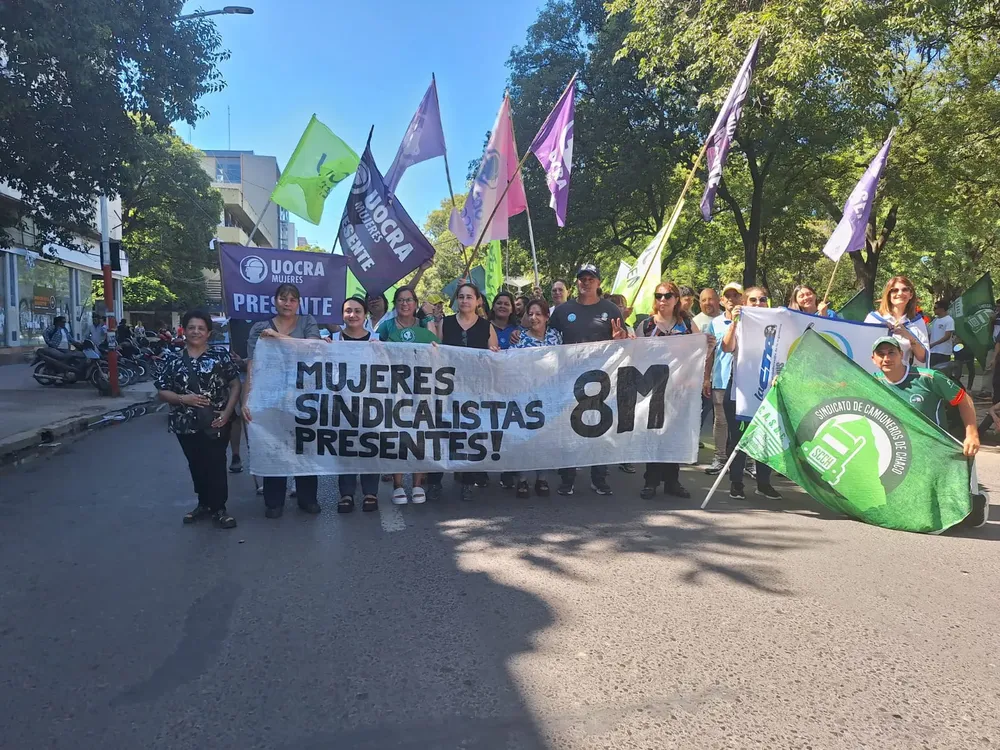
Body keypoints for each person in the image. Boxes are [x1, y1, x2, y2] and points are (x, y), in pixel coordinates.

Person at [872, 336, 987, 527]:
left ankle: (976, 499)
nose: (886, 358)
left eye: (891, 352)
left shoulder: (929, 378)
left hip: (934, 451)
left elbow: (964, 400)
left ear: (902, 354)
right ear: (873, 359)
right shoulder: (870, 382)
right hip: (897, 452)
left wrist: (972, 434)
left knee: (960, 518)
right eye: (881, 354)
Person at [242, 283, 323, 519]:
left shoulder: (308, 322)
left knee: (305, 447)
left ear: (299, 302)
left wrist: (277, 337)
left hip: (303, 397)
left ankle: (308, 498)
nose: (287, 303)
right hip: (270, 397)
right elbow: (253, 365)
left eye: (292, 299)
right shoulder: (259, 328)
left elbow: (311, 350)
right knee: (273, 446)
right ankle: (274, 501)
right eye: (283, 298)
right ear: (275, 300)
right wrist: (247, 399)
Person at [155, 310, 241, 529]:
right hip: (184, 423)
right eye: (192, 327)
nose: (196, 332)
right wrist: (184, 398)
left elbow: (235, 384)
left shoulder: (220, 355)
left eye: (201, 328)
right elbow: (162, 391)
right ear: (184, 331)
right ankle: (203, 503)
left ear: (208, 333)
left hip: (216, 421)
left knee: (216, 462)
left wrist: (228, 412)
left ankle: (219, 507)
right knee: (196, 464)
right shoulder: (172, 359)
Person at [549, 264, 628, 496]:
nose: (586, 282)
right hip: (569, 378)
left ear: (599, 283)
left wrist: (620, 338)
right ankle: (568, 477)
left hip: (601, 379)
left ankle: (599, 477)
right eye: (582, 279)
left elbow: (622, 341)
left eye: (590, 278)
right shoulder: (563, 310)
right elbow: (549, 339)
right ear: (576, 283)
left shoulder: (611, 309)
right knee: (569, 428)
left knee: (600, 429)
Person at [634, 282, 704, 499]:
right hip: (654, 388)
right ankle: (651, 481)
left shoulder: (687, 325)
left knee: (675, 434)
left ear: (676, 300)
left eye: (667, 296)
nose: (662, 300)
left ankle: (672, 481)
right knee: (654, 434)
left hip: (680, 388)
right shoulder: (646, 326)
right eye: (659, 296)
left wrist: (708, 345)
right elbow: (634, 355)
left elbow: (700, 352)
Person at [437, 282, 499, 501]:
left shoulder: (486, 326)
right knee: (446, 430)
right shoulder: (446, 323)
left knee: (472, 432)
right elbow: (438, 351)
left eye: (469, 297)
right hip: (449, 387)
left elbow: (495, 356)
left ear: (478, 300)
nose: (464, 301)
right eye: (461, 297)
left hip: (476, 388)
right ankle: (436, 481)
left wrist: (494, 354)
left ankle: (467, 480)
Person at [377, 286, 440, 504]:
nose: (405, 304)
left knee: (420, 434)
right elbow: (374, 350)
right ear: (395, 304)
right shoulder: (386, 327)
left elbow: (438, 345)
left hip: (421, 387)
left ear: (415, 303)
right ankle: (397, 485)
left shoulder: (424, 325)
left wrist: (430, 318)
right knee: (397, 434)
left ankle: (417, 484)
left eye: (409, 300)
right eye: (401, 300)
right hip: (394, 387)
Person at [721, 286, 783, 501]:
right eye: (753, 300)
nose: (758, 304)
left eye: (762, 300)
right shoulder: (739, 324)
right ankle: (736, 482)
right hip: (740, 391)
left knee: (766, 437)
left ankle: (764, 483)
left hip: (768, 390)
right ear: (745, 303)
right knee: (738, 437)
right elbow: (727, 348)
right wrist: (734, 323)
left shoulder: (779, 324)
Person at [331, 297, 380, 513]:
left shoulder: (377, 340)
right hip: (341, 404)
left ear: (365, 315)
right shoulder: (331, 340)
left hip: (371, 404)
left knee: (370, 447)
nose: (353, 315)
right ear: (342, 315)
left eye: (357, 311)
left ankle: (371, 492)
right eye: (348, 311)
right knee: (346, 449)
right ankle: (346, 494)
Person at [509, 298, 560, 497]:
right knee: (525, 437)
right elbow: (508, 364)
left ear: (547, 316)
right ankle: (522, 479)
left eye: (538, 314)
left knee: (545, 438)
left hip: (550, 396)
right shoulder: (519, 338)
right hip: (526, 397)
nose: (534, 317)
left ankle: (542, 478)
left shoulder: (556, 336)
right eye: (530, 314)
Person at [704, 283, 741, 475]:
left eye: (736, 296)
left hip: (744, 380)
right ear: (723, 300)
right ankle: (719, 458)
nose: (731, 299)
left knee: (744, 422)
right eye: (728, 296)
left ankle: (747, 463)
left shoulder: (751, 321)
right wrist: (706, 378)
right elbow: (709, 353)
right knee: (721, 422)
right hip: (721, 379)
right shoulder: (715, 323)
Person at [864, 276, 929, 365]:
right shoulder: (874, 319)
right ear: (888, 294)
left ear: (911, 295)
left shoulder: (917, 322)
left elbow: (923, 358)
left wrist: (909, 336)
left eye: (905, 290)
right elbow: (863, 349)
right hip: (875, 375)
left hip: (906, 375)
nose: (900, 293)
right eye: (894, 290)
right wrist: (880, 330)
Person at [928, 300, 956, 368]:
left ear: (942, 309)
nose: (933, 310)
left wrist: (933, 344)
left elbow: (947, 336)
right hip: (933, 351)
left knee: (942, 372)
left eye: (935, 308)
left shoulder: (949, 320)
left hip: (943, 352)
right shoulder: (935, 320)